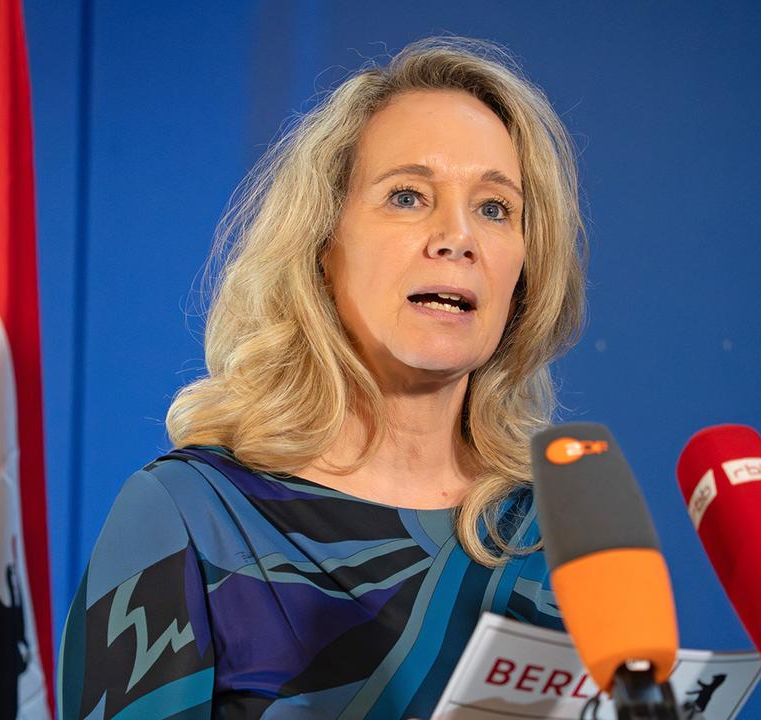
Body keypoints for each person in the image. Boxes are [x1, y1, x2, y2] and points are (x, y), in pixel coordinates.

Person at [58, 36, 586, 719]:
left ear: (525, 271)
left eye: (494, 208)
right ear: (322, 250)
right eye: (407, 196)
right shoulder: (194, 518)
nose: (458, 237)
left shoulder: (554, 535)